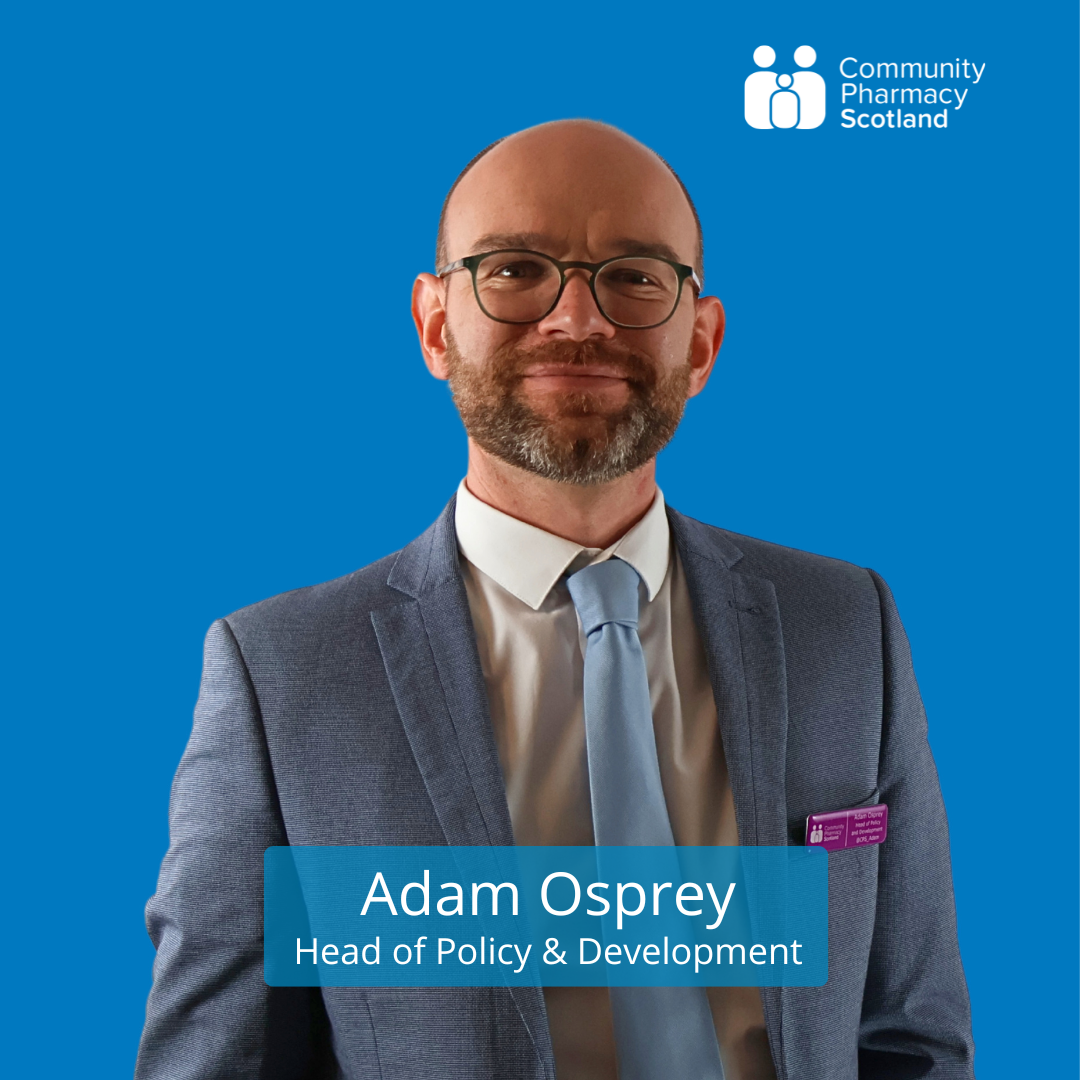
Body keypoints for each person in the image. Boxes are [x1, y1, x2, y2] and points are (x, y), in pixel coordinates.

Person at [135, 120, 975, 1080]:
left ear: (700, 345)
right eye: (515, 269)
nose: (579, 320)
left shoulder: (846, 628)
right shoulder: (282, 677)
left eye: (635, 276)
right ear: (436, 326)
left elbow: (911, 1037)